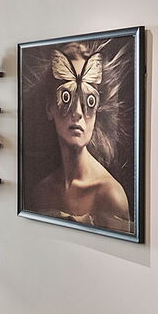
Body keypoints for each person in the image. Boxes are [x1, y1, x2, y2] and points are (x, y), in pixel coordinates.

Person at [30, 42, 131, 232]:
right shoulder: (41, 191)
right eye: (67, 97)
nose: (77, 112)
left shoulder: (111, 195)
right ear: (49, 107)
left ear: (98, 108)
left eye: (88, 101)